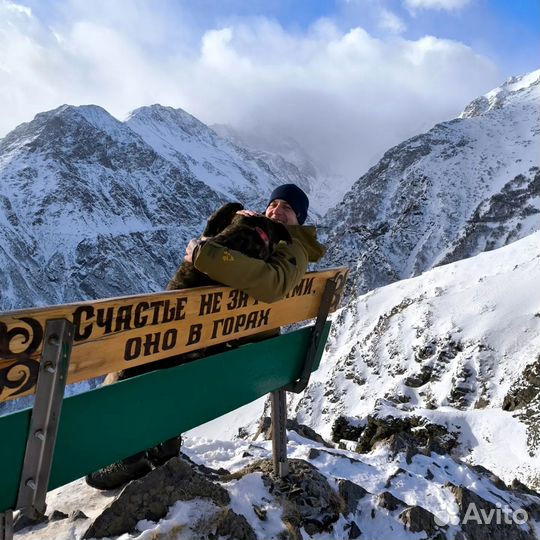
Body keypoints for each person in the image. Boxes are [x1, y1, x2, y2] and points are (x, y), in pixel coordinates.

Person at [85, 184, 325, 490]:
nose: (277, 210)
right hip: (230, 348)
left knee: (138, 361)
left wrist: (204, 253)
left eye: (287, 208)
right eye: (274, 204)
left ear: (300, 219)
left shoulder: (293, 248)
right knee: (163, 356)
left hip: (229, 353)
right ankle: (161, 447)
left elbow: (272, 285)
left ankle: (131, 455)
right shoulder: (271, 237)